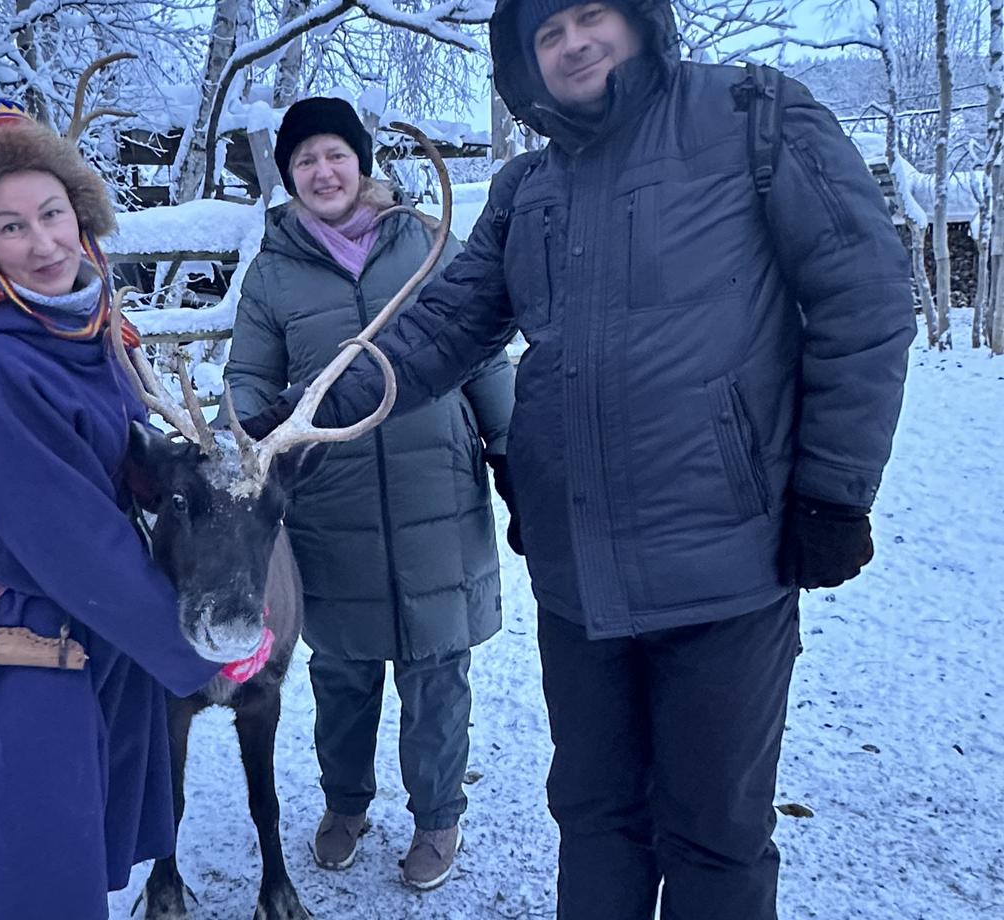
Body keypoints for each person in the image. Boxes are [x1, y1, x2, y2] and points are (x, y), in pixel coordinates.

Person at [240, 3, 917, 918]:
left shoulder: (756, 119)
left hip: (724, 567)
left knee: (714, 832)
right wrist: (288, 421)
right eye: (545, 34)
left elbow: (863, 297)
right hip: (576, 579)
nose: (571, 43)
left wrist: (835, 491)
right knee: (596, 817)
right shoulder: (529, 188)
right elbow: (439, 334)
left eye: (591, 14)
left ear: (642, 21)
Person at [0, 99, 263, 919]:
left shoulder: (78, 330)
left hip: (86, 642)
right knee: (45, 884)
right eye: (11, 227)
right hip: (34, 646)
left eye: (54, 213)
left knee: (74, 857)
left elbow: (107, 463)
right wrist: (205, 650)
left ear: (83, 212)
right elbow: (77, 544)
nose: (46, 243)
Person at [223, 96, 516, 891]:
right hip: (331, 500)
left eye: (336, 155)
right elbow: (250, 374)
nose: (323, 171)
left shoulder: (427, 244)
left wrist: (511, 452)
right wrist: (255, 442)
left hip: (437, 493)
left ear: (363, 162)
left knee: (437, 670)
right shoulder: (273, 271)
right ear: (287, 176)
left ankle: (437, 817)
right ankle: (345, 804)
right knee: (342, 672)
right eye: (305, 160)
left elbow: (484, 351)